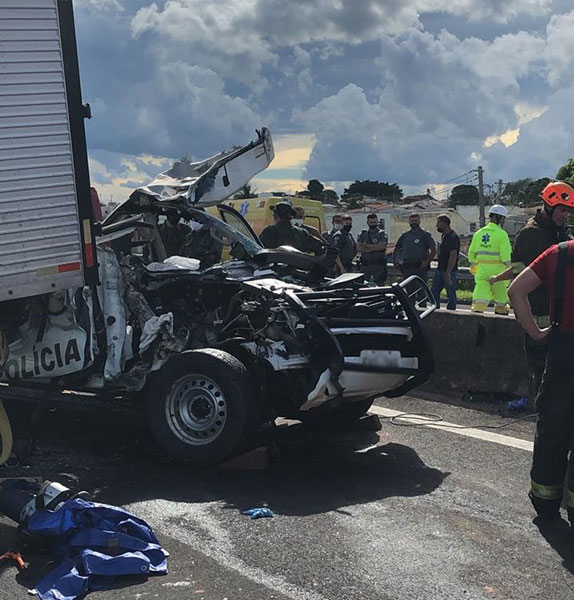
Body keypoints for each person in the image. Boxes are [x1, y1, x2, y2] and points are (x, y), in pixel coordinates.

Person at [489, 182, 574, 409]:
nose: (565, 215)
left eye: (568, 211)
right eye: (562, 210)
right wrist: (536, 330)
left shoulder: (560, 232)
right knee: (542, 371)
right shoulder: (531, 234)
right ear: (549, 206)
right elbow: (522, 275)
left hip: (560, 316)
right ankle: (542, 413)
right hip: (539, 313)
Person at [508, 231, 574, 524]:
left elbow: (516, 290)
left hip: (562, 352)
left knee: (552, 428)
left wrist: (535, 333)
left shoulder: (559, 253)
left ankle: (545, 501)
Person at [468, 205, 512, 314]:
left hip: (482, 270)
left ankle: (477, 311)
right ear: (499, 218)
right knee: (501, 294)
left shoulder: (478, 233)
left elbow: (471, 252)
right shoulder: (502, 234)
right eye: (503, 218)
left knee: (480, 293)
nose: (504, 221)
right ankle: (501, 310)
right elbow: (506, 256)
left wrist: (474, 266)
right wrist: (510, 269)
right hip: (498, 272)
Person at [259, 201, 324, 255]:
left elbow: (258, 249)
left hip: (273, 266)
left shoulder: (268, 231)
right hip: (298, 265)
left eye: (274, 214)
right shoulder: (302, 233)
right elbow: (320, 248)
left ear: (276, 216)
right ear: (291, 217)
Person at [392, 213, 436, 281]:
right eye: (412, 221)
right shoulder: (405, 235)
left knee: (420, 286)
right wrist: (395, 261)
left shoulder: (425, 234)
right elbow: (396, 248)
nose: (414, 223)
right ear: (409, 222)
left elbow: (433, 250)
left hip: (420, 267)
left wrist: (427, 262)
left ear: (419, 221)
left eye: (416, 221)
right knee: (408, 286)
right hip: (407, 267)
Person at [430, 214, 460, 310]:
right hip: (440, 269)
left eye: (438, 223)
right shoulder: (444, 236)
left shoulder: (453, 237)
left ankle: (451, 312)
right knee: (434, 291)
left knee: (450, 293)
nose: (436, 225)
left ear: (444, 223)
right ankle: (435, 310)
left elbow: (453, 255)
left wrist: (448, 272)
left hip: (449, 271)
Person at [357, 213, 388, 284]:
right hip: (365, 265)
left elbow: (381, 246)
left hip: (378, 266)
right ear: (367, 222)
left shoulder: (382, 233)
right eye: (371, 222)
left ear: (377, 222)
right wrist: (375, 247)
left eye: (374, 222)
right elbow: (359, 248)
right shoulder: (362, 234)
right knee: (363, 285)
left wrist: (366, 246)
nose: (373, 224)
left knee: (380, 285)